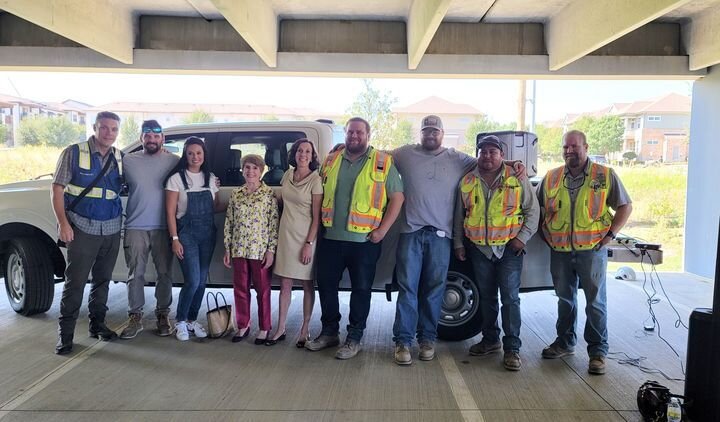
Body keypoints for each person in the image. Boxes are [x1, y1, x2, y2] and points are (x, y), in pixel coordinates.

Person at [390, 115, 524, 365]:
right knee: (407, 289)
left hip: (441, 236)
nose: (430, 134)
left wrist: (513, 162)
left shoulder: (458, 158)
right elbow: (378, 155)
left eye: (435, 131)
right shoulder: (404, 154)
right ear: (420, 133)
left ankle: (427, 339)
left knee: (434, 290)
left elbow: (489, 162)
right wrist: (343, 146)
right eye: (426, 131)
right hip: (411, 233)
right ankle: (403, 342)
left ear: (442, 133)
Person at [305, 117, 404, 359]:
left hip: (364, 243)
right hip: (331, 237)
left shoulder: (382, 161)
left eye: (359, 132)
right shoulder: (331, 159)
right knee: (326, 286)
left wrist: (381, 231)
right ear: (345, 135)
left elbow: (397, 198)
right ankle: (329, 332)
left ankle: (354, 337)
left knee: (361, 290)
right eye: (350, 132)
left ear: (368, 136)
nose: (354, 136)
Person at [537, 130, 632, 375]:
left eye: (574, 147)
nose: (569, 151)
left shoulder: (605, 175)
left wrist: (610, 236)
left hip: (592, 250)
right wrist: (545, 234)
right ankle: (565, 343)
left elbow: (625, 205)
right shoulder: (552, 177)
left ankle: (598, 352)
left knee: (595, 302)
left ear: (586, 147)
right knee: (565, 300)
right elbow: (535, 209)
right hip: (560, 250)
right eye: (565, 147)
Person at [453, 135, 539, 371]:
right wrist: (459, 244)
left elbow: (533, 211)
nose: (487, 156)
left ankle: (512, 349)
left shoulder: (517, 177)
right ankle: (490, 340)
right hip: (479, 249)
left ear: (502, 155)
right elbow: (459, 216)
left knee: (510, 298)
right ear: (478, 155)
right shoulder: (467, 181)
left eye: (493, 152)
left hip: (509, 249)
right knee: (487, 297)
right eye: (483, 152)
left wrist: (521, 239)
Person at [52, 111, 124, 355]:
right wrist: (63, 223)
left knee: (103, 281)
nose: (109, 133)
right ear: (95, 127)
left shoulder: (120, 157)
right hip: (82, 228)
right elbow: (57, 189)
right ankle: (66, 336)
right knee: (75, 283)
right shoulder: (74, 152)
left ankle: (98, 325)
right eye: (104, 128)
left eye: (114, 129)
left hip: (112, 228)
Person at [119, 120, 179, 339]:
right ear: (141, 138)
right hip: (135, 225)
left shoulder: (175, 161)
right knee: (135, 274)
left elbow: (194, 173)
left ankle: (163, 314)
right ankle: (135, 317)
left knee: (165, 273)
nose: (152, 140)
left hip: (164, 226)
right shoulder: (128, 161)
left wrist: (213, 180)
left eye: (156, 136)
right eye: (147, 136)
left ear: (162, 138)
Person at [267, 139, 322, 347]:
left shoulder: (316, 180)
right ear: (294, 153)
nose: (303, 154)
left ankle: (305, 328)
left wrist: (309, 242)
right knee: (285, 284)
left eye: (308, 151)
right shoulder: (287, 175)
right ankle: (280, 328)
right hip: (286, 234)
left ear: (312, 156)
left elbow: (316, 218)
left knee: (307, 283)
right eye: (300, 150)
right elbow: (282, 201)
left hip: (305, 237)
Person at [165, 137, 220, 342]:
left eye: (199, 153)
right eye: (190, 153)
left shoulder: (211, 178)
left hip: (207, 234)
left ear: (204, 155)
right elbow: (170, 213)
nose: (195, 157)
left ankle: (191, 320)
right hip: (186, 234)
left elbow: (215, 207)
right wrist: (175, 238)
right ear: (185, 155)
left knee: (202, 281)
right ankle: (180, 320)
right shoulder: (176, 179)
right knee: (193, 280)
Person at [223, 154, 279, 344]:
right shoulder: (236, 194)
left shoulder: (268, 194)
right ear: (242, 170)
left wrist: (271, 250)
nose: (250, 171)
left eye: (255, 168)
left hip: (260, 251)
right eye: (247, 167)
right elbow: (229, 222)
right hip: (238, 248)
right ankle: (243, 325)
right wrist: (228, 248)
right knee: (240, 288)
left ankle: (264, 328)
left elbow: (273, 224)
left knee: (263, 290)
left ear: (261, 171)